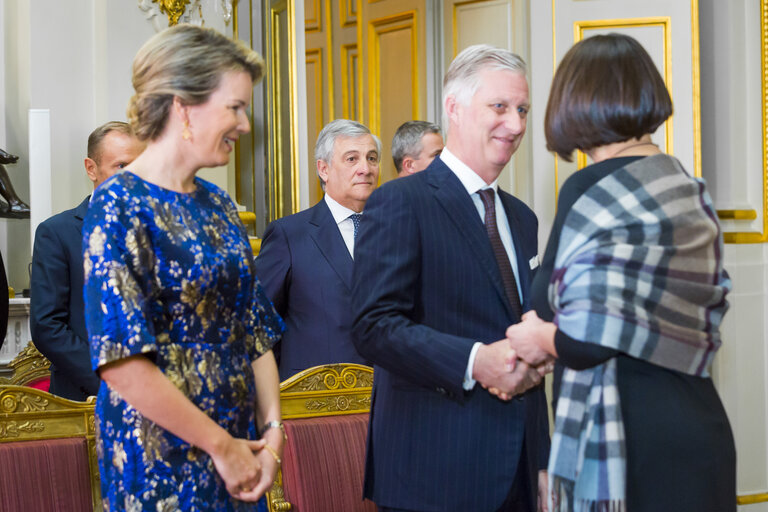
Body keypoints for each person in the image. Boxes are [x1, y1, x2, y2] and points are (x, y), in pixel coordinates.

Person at [505, 33, 736, 512]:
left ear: (576, 104)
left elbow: (583, 336)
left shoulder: (589, 188)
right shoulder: (690, 190)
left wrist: (536, 338)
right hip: (700, 429)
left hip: (629, 442)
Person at [82, 24, 285, 511]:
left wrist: (273, 434)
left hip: (241, 452)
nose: (244, 124)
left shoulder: (219, 204)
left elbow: (253, 330)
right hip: (161, 459)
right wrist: (221, 447)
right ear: (183, 106)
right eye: (234, 107)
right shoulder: (118, 206)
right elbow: (123, 364)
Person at [352, 45, 551, 512]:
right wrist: (474, 360)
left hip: (519, 477)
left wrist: (542, 462)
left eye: (522, 109)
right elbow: (372, 326)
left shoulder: (523, 220)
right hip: (432, 478)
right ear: (454, 108)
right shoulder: (402, 201)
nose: (517, 125)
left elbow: (528, 346)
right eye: (499, 107)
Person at [255, 119, 379, 380]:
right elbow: (259, 325)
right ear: (323, 169)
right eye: (351, 159)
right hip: (312, 400)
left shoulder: (396, 232)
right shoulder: (289, 235)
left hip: (384, 398)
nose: (365, 169)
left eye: (372, 158)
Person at [31, 121, 145, 401]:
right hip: (86, 399)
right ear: (91, 168)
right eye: (121, 166)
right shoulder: (57, 233)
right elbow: (48, 326)